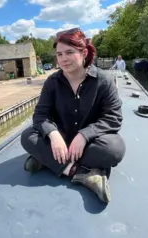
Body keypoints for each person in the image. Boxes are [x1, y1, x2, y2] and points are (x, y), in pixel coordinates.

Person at [20, 28, 126, 203]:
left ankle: (47, 160)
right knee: (27, 136)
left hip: (89, 144)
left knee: (115, 149)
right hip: (60, 140)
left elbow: (113, 118)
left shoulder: (103, 81)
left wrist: (85, 135)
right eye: (59, 54)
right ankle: (82, 173)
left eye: (69, 52)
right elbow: (40, 115)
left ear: (84, 52)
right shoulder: (52, 82)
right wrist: (53, 135)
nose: (63, 59)